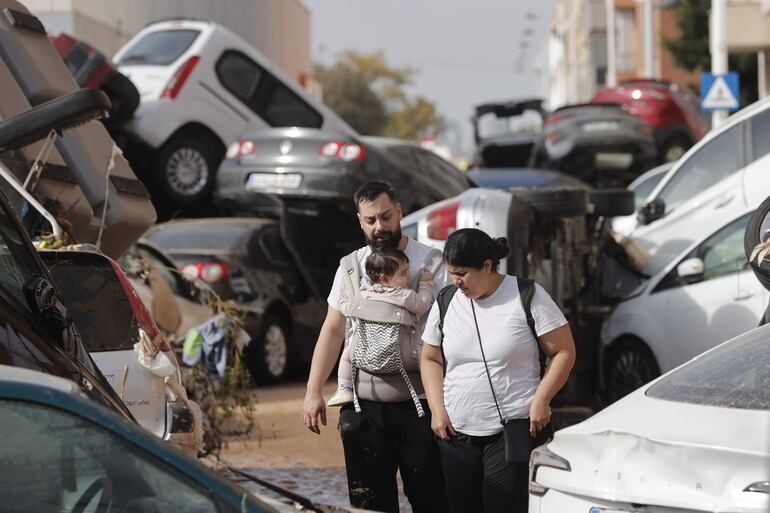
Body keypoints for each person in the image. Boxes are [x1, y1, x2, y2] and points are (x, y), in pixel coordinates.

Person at [302, 181, 451, 513]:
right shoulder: (350, 267)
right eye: (371, 220)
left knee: (433, 501)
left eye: (385, 217)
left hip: (422, 405)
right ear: (360, 221)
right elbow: (333, 328)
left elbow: (454, 333)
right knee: (369, 504)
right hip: (363, 407)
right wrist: (313, 391)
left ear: (399, 211)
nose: (379, 227)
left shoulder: (432, 265)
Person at [420, 228, 576, 513]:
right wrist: (437, 409)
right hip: (456, 434)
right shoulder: (446, 300)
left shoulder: (527, 294)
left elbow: (563, 350)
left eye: (463, 273)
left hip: (511, 432)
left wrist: (542, 399)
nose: (456, 281)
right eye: (452, 273)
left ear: (488, 266)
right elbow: (430, 357)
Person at [329, 246, 435, 410]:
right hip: (403, 352)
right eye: (403, 273)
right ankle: (432, 386)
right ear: (385, 279)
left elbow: (348, 309)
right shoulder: (404, 295)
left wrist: (342, 300)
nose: (408, 276)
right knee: (427, 355)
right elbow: (422, 305)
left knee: (347, 354)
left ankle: (344, 386)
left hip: (367, 351)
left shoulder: (364, 294)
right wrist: (426, 284)